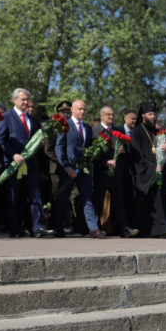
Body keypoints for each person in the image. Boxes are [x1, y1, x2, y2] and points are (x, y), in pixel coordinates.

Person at [0, 88, 54, 238]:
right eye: (23, 100)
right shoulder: (5, 117)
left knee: (35, 197)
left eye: (27, 100)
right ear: (14, 100)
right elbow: (0, 140)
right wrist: (12, 154)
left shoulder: (33, 120)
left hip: (31, 165)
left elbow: (35, 143)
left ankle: (38, 227)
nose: (26, 102)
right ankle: (14, 229)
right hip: (14, 165)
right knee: (14, 197)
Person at [55, 99, 104, 238]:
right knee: (63, 198)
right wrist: (65, 166)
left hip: (84, 169)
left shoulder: (88, 128)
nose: (82, 111)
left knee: (87, 198)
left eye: (84, 109)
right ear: (72, 110)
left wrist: (92, 155)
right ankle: (58, 227)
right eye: (79, 109)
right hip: (68, 169)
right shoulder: (64, 125)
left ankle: (93, 228)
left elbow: (88, 147)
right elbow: (59, 147)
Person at [92, 107, 138, 238]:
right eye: (108, 115)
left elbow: (126, 150)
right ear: (101, 117)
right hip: (102, 173)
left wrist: (123, 151)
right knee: (98, 202)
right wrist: (105, 162)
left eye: (112, 114)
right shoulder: (95, 131)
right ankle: (96, 228)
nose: (111, 117)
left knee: (119, 203)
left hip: (117, 174)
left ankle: (124, 229)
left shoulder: (117, 131)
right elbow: (94, 152)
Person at [128, 102, 166, 237]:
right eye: (150, 114)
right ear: (143, 115)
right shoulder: (136, 132)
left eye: (154, 114)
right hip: (143, 173)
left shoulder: (157, 132)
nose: (153, 117)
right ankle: (144, 230)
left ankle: (161, 231)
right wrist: (152, 167)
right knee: (143, 202)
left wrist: (165, 149)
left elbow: (159, 151)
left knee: (158, 201)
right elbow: (136, 155)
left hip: (156, 171)